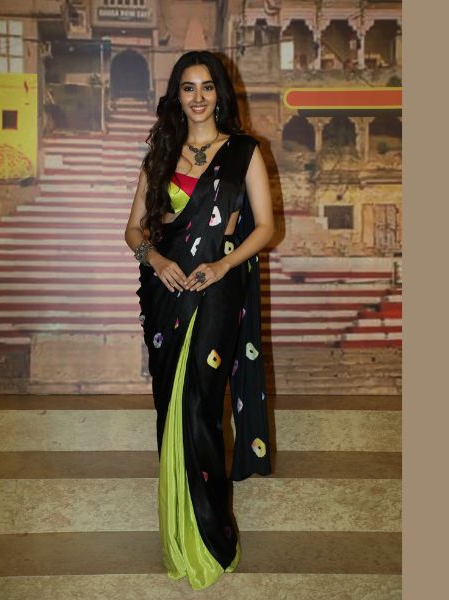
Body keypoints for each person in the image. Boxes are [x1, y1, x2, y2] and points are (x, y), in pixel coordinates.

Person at [124, 50, 274, 590]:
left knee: (200, 405)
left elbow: (265, 228)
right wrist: (157, 261)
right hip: (166, 294)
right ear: (177, 96)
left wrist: (224, 265)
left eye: (207, 86)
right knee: (172, 406)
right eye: (188, 88)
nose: (198, 97)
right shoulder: (161, 154)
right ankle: (178, 533)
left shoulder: (244, 152)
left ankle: (211, 535)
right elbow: (133, 231)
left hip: (215, 290)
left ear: (219, 94)